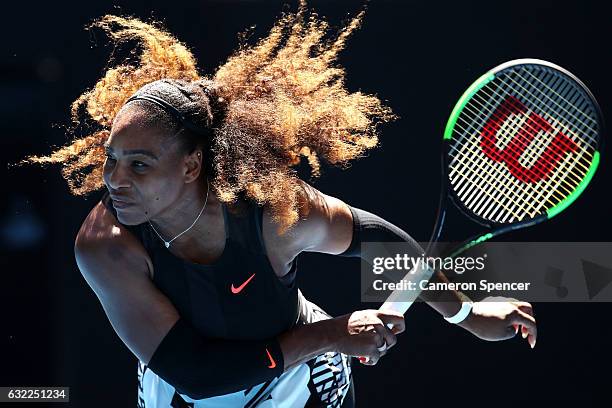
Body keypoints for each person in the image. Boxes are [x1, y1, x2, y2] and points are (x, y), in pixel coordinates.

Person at [21, 2, 536, 407]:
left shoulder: (273, 213)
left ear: (191, 166)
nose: (113, 179)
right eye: (111, 159)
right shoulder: (105, 246)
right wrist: (333, 334)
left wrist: (468, 313)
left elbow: (375, 240)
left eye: (138, 165)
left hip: (300, 379)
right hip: (188, 391)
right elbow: (199, 374)